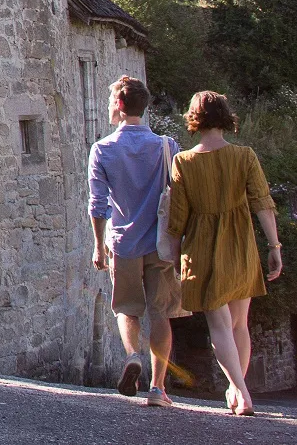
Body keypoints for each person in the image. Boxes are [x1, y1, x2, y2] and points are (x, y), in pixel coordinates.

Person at [166, 91, 283, 416]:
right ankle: (238, 389)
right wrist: (274, 247)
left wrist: (175, 259)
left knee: (219, 325)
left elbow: (177, 219)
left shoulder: (183, 161)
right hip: (239, 245)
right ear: (224, 116)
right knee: (238, 324)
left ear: (193, 119)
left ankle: (240, 391)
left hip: (201, 249)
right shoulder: (244, 156)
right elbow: (263, 203)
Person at [89, 75, 185, 407]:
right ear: (143, 108)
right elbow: (181, 196)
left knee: (127, 310)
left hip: (123, 243)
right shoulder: (167, 146)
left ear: (118, 105)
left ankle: (132, 355)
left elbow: (97, 205)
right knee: (161, 313)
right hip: (161, 243)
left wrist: (99, 245)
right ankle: (158, 389)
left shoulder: (102, 149)